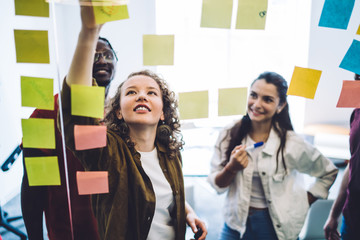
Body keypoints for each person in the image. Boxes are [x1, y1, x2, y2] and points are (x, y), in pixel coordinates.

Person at [59, 4, 207, 240]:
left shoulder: (170, 153)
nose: (141, 96)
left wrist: (186, 212)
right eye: (131, 92)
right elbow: (77, 111)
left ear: (162, 113)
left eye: (151, 92)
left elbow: (165, 193)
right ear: (118, 112)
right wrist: (88, 32)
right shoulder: (106, 152)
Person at [208, 72, 338, 240]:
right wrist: (231, 168)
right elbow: (217, 185)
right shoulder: (229, 133)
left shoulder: (292, 143)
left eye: (267, 99)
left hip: (275, 226)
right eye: (253, 95)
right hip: (236, 223)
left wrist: (304, 201)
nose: (257, 104)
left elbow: (328, 173)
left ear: (281, 105)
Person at [21, 36, 117, 240]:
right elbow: (33, 186)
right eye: (92, 55)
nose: (101, 61)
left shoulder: (122, 113)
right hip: (68, 233)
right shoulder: (46, 112)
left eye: (108, 55)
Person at [323, 73, 360, 240]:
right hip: (351, 218)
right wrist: (334, 214)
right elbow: (353, 164)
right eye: (358, 78)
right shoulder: (356, 113)